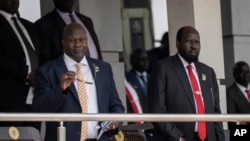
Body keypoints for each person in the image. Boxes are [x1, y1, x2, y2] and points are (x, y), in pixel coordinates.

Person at [32, 23, 125, 141]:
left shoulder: (104, 69)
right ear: (63, 42)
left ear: (87, 41)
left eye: (82, 39)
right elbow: (38, 109)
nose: (78, 44)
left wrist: (115, 121)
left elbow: (116, 105)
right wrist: (60, 89)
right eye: (72, 40)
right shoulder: (47, 71)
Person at [148, 26, 225, 141]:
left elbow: (216, 112)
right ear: (178, 44)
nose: (194, 46)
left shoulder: (208, 72)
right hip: (177, 138)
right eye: (189, 41)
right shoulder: (163, 68)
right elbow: (157, 111)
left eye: (197, 42)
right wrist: (178, 137)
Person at [0, 0, 42, 130]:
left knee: (34, 135)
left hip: (35, 95)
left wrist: (41, 76)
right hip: (9, 98)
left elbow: (43, 55)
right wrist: (25, 74)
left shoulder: (29, 26)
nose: (14, 1)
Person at [35, 0, 102, 61]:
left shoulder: (87, 20)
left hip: (96, 70)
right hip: (68, 73)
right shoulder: (43, 24)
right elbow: (45, 59)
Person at [227, 61, 250, 130]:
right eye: (242, 72)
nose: (246, 75)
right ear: (235, 74)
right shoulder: (230, 93)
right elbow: (232, 119)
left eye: (248, 72)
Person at [126, 48, 150, 113]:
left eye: (147, 59)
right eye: (142, 60)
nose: (146, 62)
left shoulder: (152, 77)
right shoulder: (128, 78)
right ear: (133, 61)